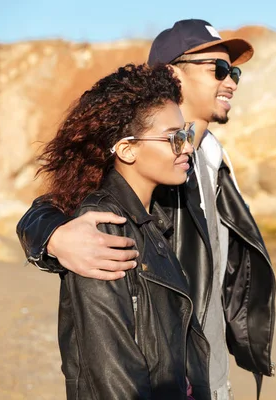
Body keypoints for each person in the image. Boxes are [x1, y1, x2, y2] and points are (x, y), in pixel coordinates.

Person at [16, 19, 276, 400]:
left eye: (234, 70)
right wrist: (54, 237)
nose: (232, 81)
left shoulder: (213, 157)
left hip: (206, 369)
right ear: (173, 73)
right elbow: (54, 207)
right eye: (218, 69)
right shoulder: (148, 160)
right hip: (170, 375)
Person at [37, 62, 208, 399]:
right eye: (174, 138)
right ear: (128, 149)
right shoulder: (101, 226)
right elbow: (112, 370)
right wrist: (50, 238)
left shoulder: (155, 213)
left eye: (185, 134)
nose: (187, 146)